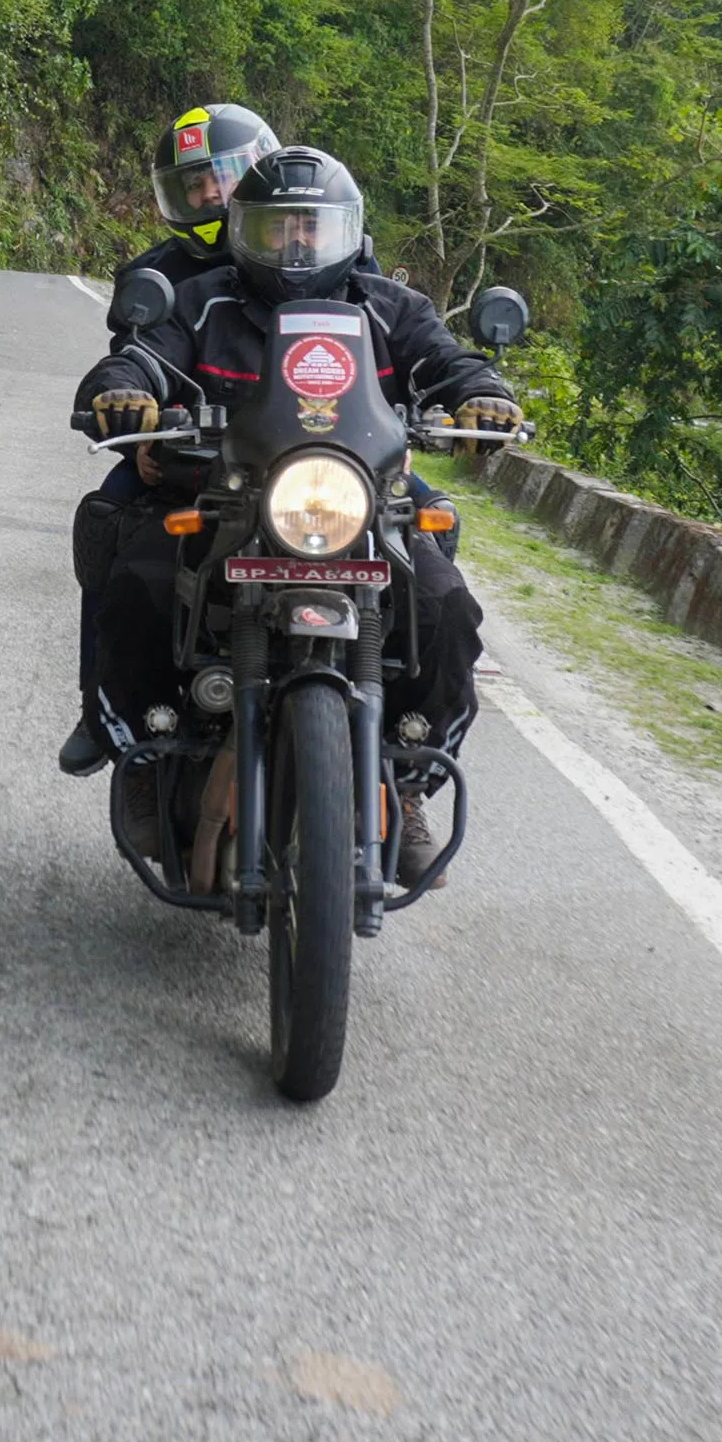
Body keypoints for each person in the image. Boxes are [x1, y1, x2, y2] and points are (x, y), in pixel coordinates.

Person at [67, 148, 520, 882]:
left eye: (313, 229)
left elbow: (446, 360)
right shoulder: (203, 301)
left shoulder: (389, 306)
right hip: (224, 495)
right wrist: (124, 390)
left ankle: (405, 779)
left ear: (347, 232)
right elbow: (144, 358)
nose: (297, 246)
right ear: (244, 230)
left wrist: (483, 394)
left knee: (444, 604)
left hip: (358, 502)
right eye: (278, 230)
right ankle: (145, 755)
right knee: (141, 580)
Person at [63, 106, 283, 777]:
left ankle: (404, 761)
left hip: (317, 462)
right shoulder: (158, 276)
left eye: (223, 177)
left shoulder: (317, 248)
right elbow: (132, 363)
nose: (212, 196)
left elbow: (380, 336)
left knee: (423, 524)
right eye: (196, 186)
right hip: (195, 462)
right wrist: (139, 442)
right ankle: (102, 708)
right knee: (110, 519)